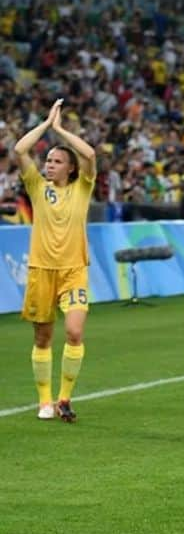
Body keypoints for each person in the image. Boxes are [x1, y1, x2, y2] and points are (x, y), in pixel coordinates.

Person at [14, 99, 95, 422]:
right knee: (43, 338)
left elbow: (89, 154)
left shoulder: (82, 188)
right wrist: (46, 126)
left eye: (57, 161)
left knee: (75, 332)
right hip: (41, 271)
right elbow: (20, 150)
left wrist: (62, 129)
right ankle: (44, 401)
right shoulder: (37, 187)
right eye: (48, 160)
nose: (49, 165)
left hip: (74, 270)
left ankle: (64, 398)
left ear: (70, 168)